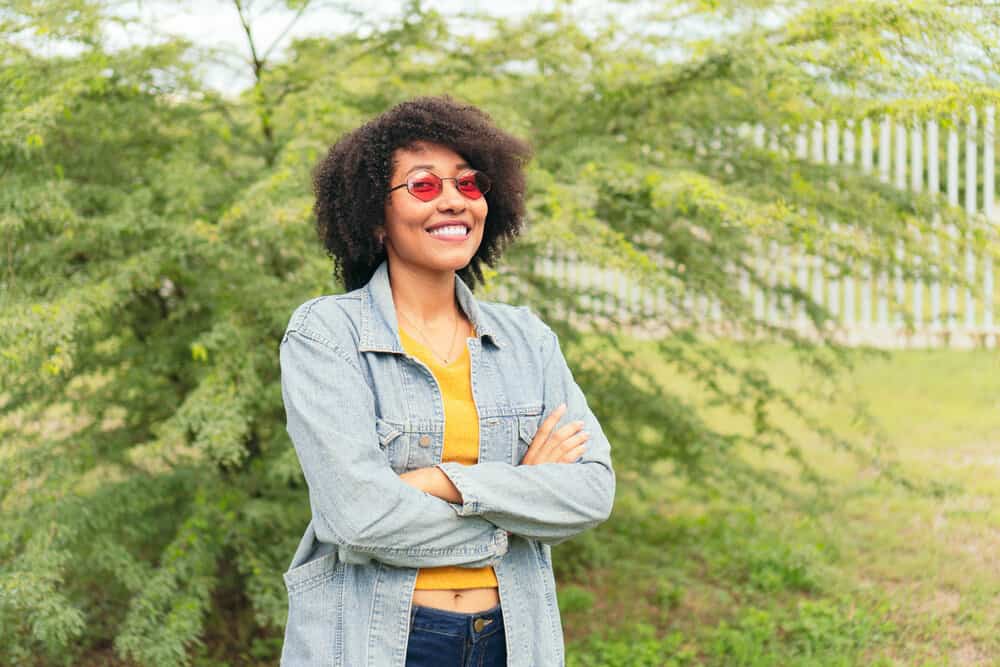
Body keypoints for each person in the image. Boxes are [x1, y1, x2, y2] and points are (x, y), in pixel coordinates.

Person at [278, 95, 615, 667]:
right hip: (379, 639)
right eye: (424, 187)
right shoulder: (327, 334)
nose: (454, 201)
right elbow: (356, 518)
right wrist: (513, 505)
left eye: (469, 183)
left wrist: (437, 480)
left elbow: (591, 492)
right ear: (374, 217)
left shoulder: (527, 339)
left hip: (512, 637)